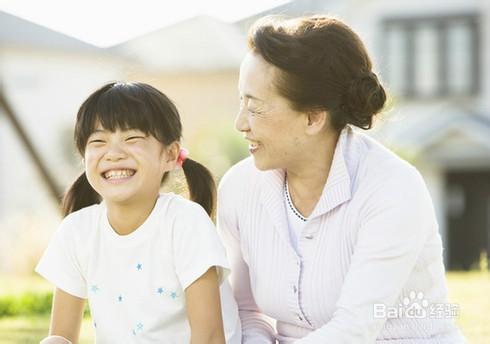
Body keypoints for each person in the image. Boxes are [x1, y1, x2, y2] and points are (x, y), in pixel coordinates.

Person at [217, 15, 466, 343]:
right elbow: (247, 312)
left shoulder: (392, 188)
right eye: (241, 101)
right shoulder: (239, 188)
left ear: (313, 117)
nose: (240, 123)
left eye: (255, 107)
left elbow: (355, 329)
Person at [36, 82, 241, 344]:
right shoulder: (77, 231)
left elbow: (210, 336)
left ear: (170, 154)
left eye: (132, 139)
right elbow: (62, 335)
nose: (114, 153)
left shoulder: (185, 222)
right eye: (98, 141)